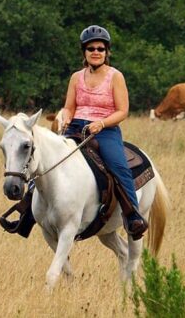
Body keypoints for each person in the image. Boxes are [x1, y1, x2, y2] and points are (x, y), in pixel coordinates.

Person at [58, 25, 147, 239]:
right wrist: (65, 116)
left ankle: (133, 217)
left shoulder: (115, 77)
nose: (96, 52)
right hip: (76, 126)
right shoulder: (76, 77)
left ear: (107, 52)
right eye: (91, 49)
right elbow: (69, 106)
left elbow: (123, 111)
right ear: (84, 53)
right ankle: (28, 212)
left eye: (100, 48)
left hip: (105, 129)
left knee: (118, 166)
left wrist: (101, 123)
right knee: (47, 158)